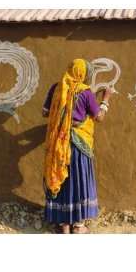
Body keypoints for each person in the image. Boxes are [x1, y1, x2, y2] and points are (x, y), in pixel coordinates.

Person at [42, 58, 112, 234]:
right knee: (78, 179)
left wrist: (62, 118)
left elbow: (45, 112)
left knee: (62, 179)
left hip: (58, 144)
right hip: (78, 144)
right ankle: (79, 225)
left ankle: (64, 224)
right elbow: (99, 117)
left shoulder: (56, 88)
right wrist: (105, 99)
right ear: (83, 74)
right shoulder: (85, 92)